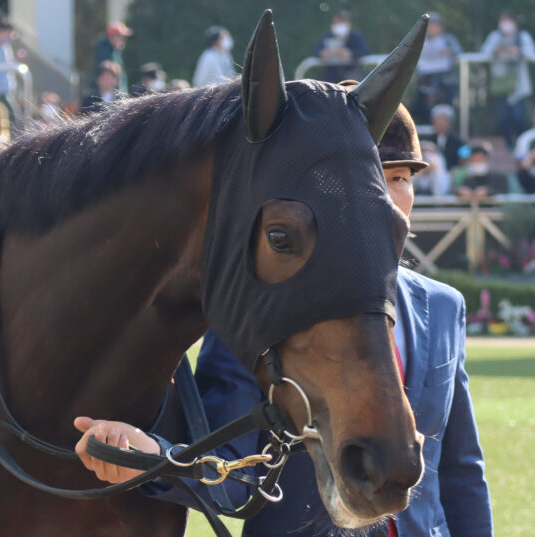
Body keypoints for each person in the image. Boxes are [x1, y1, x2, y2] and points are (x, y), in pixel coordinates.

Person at [74, 104, 492, 537]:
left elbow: (461, 472)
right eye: (368, 177)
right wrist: (154, 456)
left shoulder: (444, 306)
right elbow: (234, 472)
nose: (385, 196)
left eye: (400, 178)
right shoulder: (258, 311)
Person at [481, 9, 535, 147]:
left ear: (514, 22)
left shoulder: (522, 36)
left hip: (519, 86)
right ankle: (509, 144)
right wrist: (494, 50)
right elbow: (484, 53)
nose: (505, 24)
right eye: (502, 21)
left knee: (519, 117)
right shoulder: (495, 36)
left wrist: (519, 50)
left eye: (508, 21)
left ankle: (521, 144)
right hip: (501, 85)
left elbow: (532, 55)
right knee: (504, 117)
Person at [411, 13, 462, 124]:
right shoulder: (420, 40)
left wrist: (450, 51)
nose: (431, 28)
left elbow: (459, 52)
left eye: (434, 25)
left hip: (444, 81)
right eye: (429, 25)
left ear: (440, 27)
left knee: (445, 107)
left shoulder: (448, 39)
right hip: (424, 80)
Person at [312, 11, 370, 83]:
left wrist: (350, 54)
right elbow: (316, 51)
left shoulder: (356, 36)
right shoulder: (327, 36)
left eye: (340, 22)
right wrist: (322, 53)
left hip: (352, 75)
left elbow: (365, 50)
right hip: (331, 76)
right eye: (335, 23)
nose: (338, 25)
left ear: (348, 23)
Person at [90, 22, 132, 93]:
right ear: (111, 37)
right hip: (108, 96)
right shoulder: (104, 53)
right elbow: (108, 78)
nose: (123, 39)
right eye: (120, 36)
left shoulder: (114, 51)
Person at [421, 104, 465, 170]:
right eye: (438, 121)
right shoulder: (428, 140)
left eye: (444, 121)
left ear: (450, 122)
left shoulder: (458, 142)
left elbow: (464, 157)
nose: (441, 124)